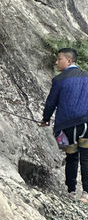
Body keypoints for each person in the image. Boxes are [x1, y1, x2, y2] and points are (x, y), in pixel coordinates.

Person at [40, 47, 88, 201]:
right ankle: (86, 194)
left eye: (59, 58)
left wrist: (46, 119)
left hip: (68, 126)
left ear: (69, 60)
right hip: (86, 126)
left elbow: (51, 103)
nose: (56, 62)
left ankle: (71, 191)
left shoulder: (59, 80)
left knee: (72, 155)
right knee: (86, 156)